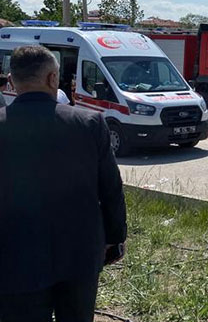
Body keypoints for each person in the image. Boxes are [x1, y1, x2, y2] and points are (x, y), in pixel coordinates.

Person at [0, 45, 127, 321]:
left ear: (12, 81)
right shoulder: (90, 122)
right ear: (52, 79)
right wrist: (115, 238)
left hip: (13, 259)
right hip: (79, 254)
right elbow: (111, 188)